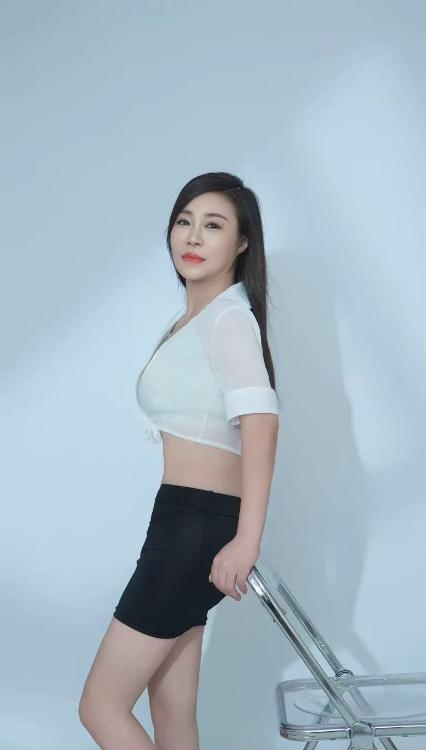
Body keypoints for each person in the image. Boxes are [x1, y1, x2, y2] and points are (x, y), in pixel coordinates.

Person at [78, 172, 281, 749]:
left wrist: (247, 540)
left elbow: (262, 423)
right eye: (184, 221)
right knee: (170, 707)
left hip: (197, 526)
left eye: (213, 225)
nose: (192, 236)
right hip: (181, 517)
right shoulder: (193, 321)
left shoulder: (228, 320)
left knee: (100, 707)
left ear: (242, 243)